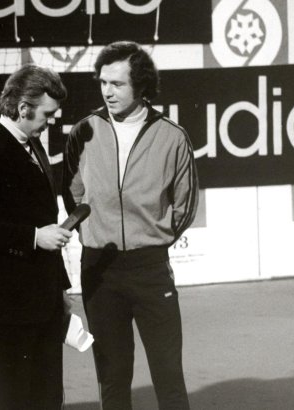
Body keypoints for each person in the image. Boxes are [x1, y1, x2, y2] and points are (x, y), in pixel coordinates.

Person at [62, 41, 199, 410]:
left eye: (117, 84)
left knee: (169, 375)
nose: (107, 91)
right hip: (99, 270)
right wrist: (93, 234)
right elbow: (73, 193)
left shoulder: (172, 136)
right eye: (103, 82)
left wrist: (155, 237)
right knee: (113, 376)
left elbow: (185, 204)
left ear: (140, 86)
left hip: (150, 269)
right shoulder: (83, 131)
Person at [0, 64, 72, 410]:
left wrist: (61, 289)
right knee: (11, 396)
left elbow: (43, 221)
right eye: (47, 115)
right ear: (23, 108)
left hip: (45, 297)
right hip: (12, 302)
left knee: (47, 394)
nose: (50, 122)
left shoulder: (33, 146)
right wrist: (35, 237)